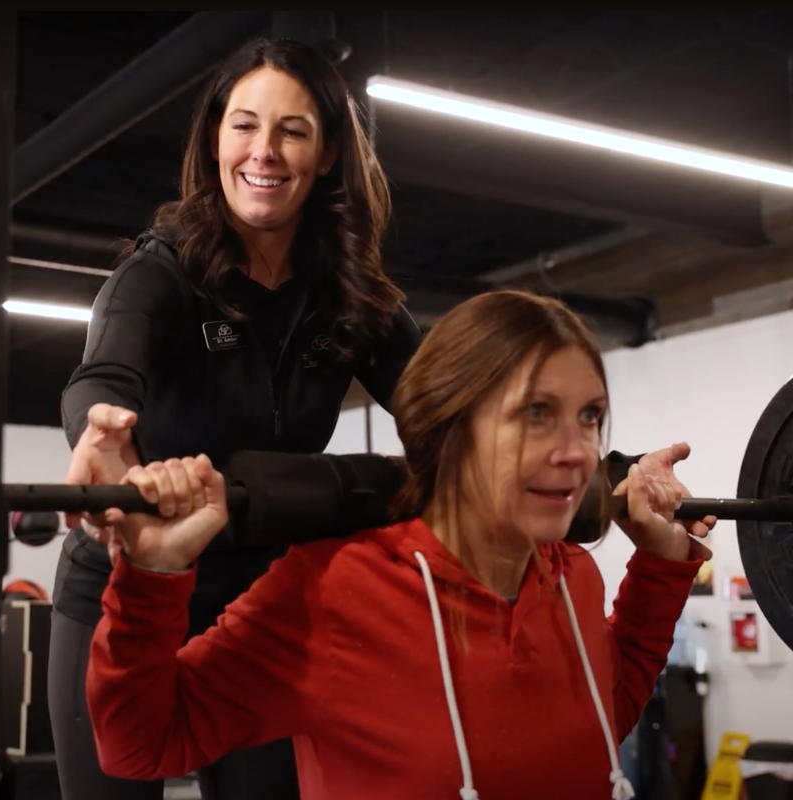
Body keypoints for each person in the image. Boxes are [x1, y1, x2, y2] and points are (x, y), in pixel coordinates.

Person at [84, 289, 715, 800]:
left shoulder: (572, 575)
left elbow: (604, 717)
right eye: (536, 414)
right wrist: (151, 575)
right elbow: (140, 744)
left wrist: (661, 569)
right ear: (451, 429)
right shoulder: (336, 591)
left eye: (588, 416)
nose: (577, 453)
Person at [49, 37, 415, 800]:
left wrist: (580, 465)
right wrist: (99, 430)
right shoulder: (161, 272)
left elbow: (449, 407)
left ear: (326, 153)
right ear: (215, 137)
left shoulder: (349, 292)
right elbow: (105, 375)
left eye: (293, 130)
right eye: (244, 125)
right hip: (127, 587)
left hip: (259, 600)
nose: (265, 152)